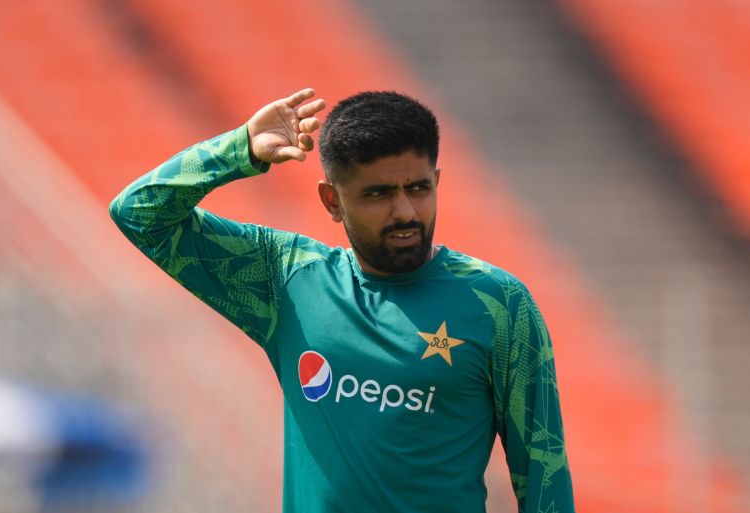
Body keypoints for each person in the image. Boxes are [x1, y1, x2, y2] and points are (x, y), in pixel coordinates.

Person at [110, 88, 574, 513]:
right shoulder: (286, 277)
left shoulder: (498, 303)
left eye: (418, 188)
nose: (405, 212)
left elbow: (544, 474)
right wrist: (239, 150)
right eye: (378, 194)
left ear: (437, 181)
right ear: (332, 201)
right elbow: (140, 214)